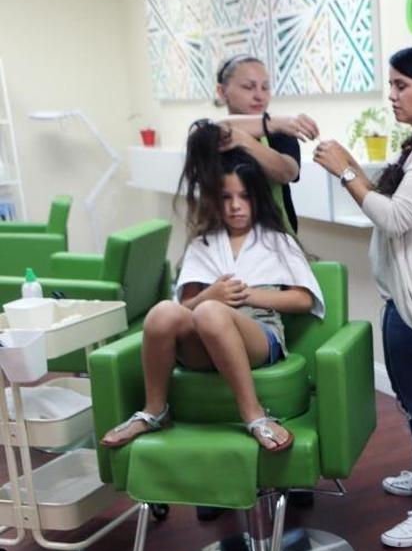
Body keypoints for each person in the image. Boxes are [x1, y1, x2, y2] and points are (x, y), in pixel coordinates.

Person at [313, 46, 412, 548]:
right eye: (391, 84)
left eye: (402, 85)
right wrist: (351, 167)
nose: (392, 95)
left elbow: (397, 217)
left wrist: (345, 173)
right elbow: (390, 203)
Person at [100, 121, 325, 453]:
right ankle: (154, 410)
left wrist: (249, 295)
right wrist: (209, 296)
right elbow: (185, 308)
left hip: (260, 336)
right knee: (163, 312)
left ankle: (254, 414)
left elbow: (304, 299)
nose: (235, 206)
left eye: (244, 197)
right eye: (226, 197)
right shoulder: (203, 245)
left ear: (257, 198)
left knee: (210, 313)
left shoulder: (276, 240)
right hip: (203, 344)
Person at [213, 53, 320, 233]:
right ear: (222, 92)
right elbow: (218, 130)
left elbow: (287, 172)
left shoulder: (281, 133)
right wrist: (270, 123)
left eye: (265, 87)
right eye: (248, 87)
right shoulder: (211, 137)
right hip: (226, 239)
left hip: (278, 239)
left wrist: (245, 141)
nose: (259, 96)